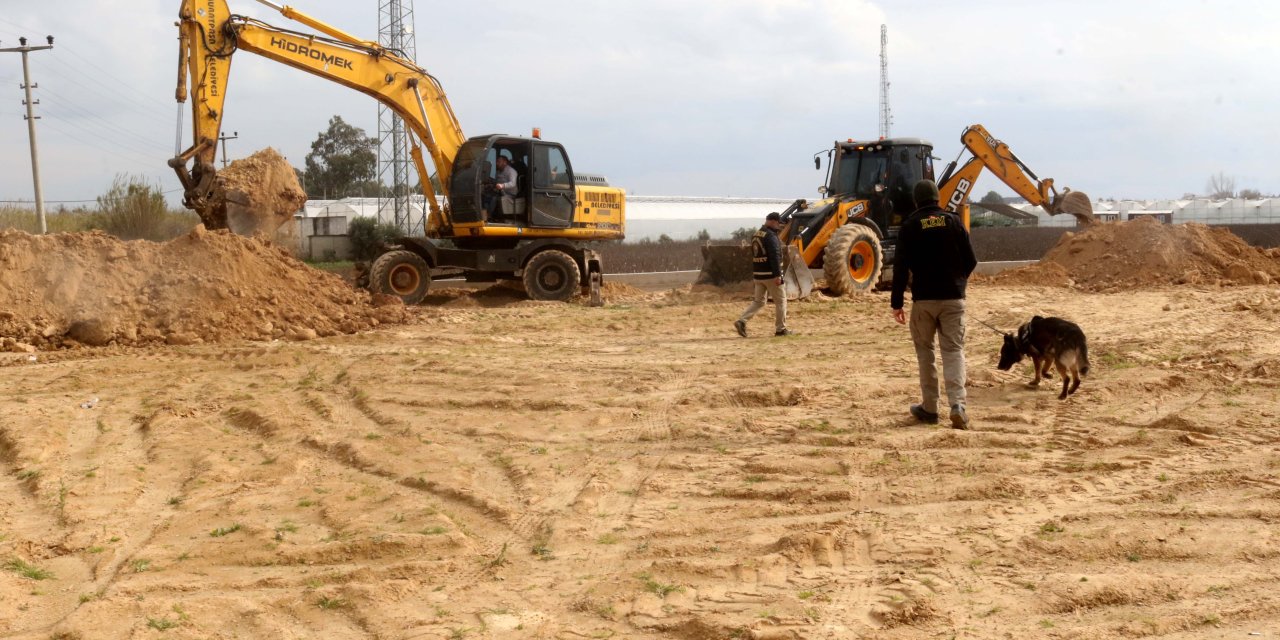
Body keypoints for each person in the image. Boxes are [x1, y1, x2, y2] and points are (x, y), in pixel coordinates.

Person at [891, 179, 978, 429]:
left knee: (925, 353)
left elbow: (900, 268)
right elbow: (971, 260)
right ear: (938, 198)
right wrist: (958, 283)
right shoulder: (953, 221)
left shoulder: (910, 226)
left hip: (924, 301)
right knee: (953, 351)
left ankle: (930, 408)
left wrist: (897, 302)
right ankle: (957, 405)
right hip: (953, 299)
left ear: (917, 201)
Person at [735, 212, 792, 337]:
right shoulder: (771, 236)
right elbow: (775, 256)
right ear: (773, 221)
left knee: (759, 301)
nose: (779, 226)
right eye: (778, 223)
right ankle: (780, 329)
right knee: (781, 301)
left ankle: (742, 320)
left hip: (758, 275)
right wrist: (778, 275)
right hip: (771, 275)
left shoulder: (756, 234)